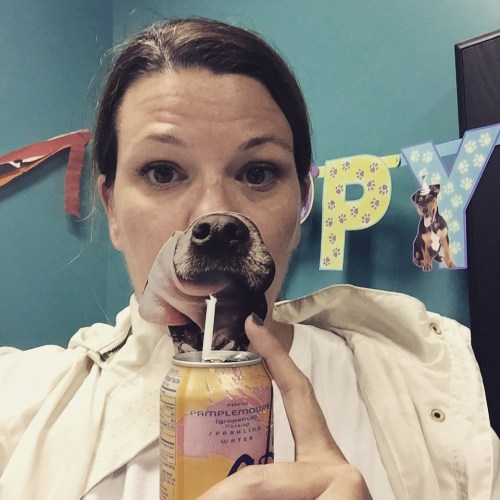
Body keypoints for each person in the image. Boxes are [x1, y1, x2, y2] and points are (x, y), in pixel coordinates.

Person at [0, 17, 498, 500]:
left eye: (257, 173)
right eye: (162, 172)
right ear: (111, 208)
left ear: (301, 203)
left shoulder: (429, 390)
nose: (215, 216)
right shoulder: (22, 406)